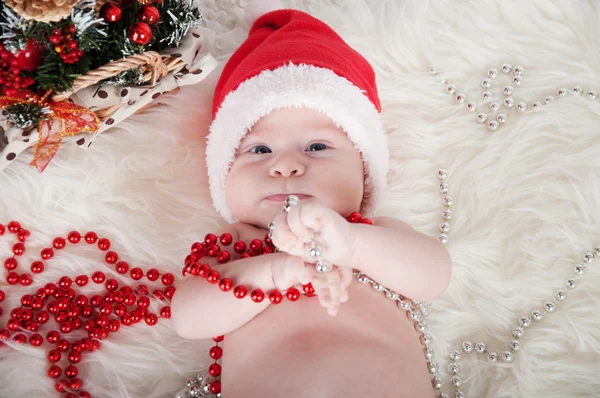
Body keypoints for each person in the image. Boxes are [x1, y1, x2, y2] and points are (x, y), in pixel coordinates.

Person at [171, 8, 452, 397]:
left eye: (317, 147)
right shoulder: (234, 246)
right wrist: (273, 274)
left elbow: (433, 277)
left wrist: (352, 245)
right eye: (260, 149)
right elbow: (187, 319)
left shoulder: (370, 234)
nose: (285, 165)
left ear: (364, 172)